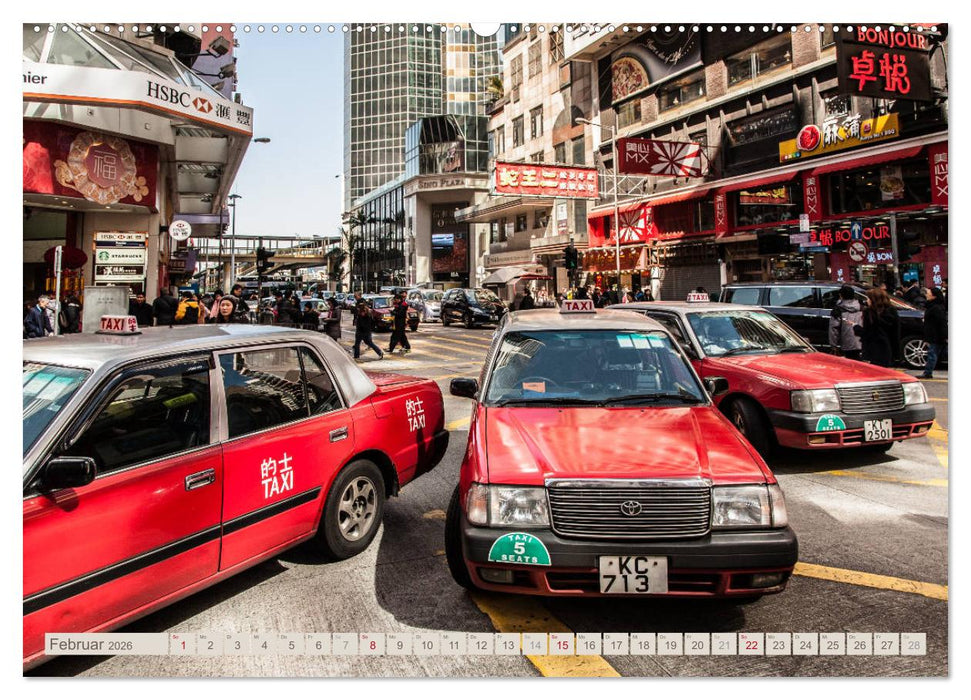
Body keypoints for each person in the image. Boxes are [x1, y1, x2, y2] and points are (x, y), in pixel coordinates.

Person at [855, 287, 900, 368]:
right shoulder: (892, 311)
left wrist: (855, 327)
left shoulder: (869, 312)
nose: (867, 301)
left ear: (874, 300)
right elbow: (896, 332)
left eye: (868, 298)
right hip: (887, 348)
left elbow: (867, 333)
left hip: (873, 349)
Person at [828, 285, 863, 361]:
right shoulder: (861, 307)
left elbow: (834, 329)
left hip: (847, 342)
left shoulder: (838, 310)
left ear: (841, 296)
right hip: (862, 341)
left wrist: (833, 345)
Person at [920, 287, 947, 379]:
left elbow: (942, 323)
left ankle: (928, 373)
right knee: (934, 353)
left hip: (936, 335)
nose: (926, 294)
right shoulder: (932, 306)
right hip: (933, 334)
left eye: (928, 293)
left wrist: (944, 336)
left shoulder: (936, 308)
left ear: (934, 296)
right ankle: (927, 372)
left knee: (933, 354)